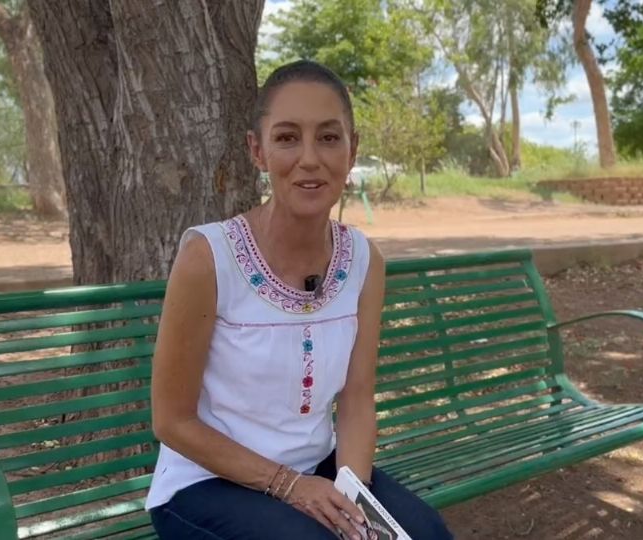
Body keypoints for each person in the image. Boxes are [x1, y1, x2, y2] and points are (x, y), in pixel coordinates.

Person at [145, 60, 453, 540]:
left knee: (426, 535)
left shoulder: (364, 261)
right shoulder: (208, 258)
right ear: (258, 150)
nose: (309, 158)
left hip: (320, 468)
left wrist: (353, 504)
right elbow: (172, 421)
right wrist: (289, 486)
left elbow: (355, 401)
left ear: (353, 151)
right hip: (205, 484)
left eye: (329, 138)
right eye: (287, 137)